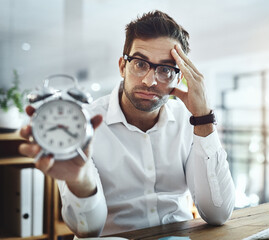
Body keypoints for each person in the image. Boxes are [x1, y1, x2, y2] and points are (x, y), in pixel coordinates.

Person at [19, 10, 235, 237]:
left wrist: (203, 118)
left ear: (178, 78)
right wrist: (81, 180)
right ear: (123, 66)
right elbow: (88, 230)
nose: (149, 81)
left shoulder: (189, 121)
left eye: (165, 70)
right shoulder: (85, 125)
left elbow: (217, 213)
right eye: (140, 64)